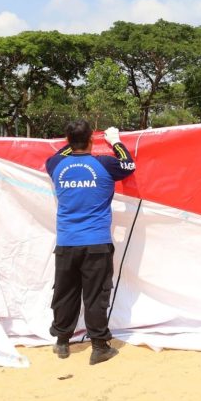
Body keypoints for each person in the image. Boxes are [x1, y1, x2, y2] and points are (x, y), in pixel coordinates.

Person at [46, 120, 136, 365]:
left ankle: (62, 342)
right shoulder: (104, 163)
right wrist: (115, 141)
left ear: (67, 141)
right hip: (96, 242)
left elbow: (61, 152)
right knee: (96, 295)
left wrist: (76, 141)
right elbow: (129, 165)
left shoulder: (55, 164)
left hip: (66, 242)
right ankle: (99, 347)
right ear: (91, 141)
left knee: (65, 293)